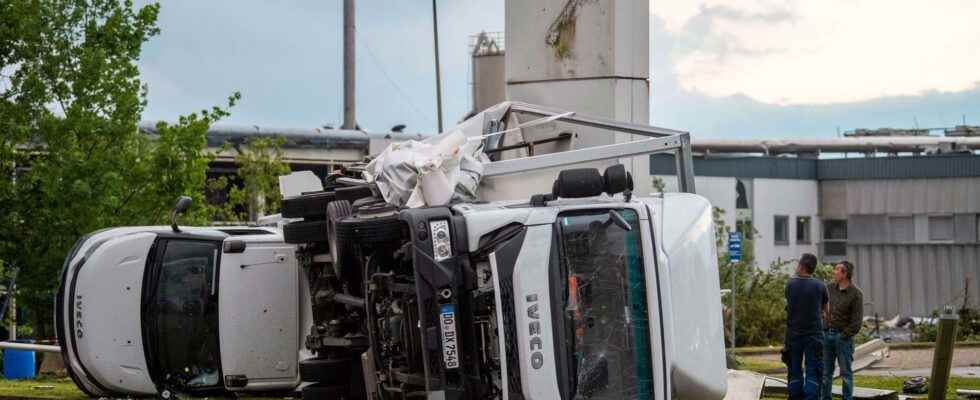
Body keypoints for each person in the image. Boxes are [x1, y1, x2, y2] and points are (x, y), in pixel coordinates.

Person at [784, 253, 828, 400]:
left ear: (801, 266)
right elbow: (825, 311)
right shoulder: (820, 286)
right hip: (814, 335)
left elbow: (789, 306)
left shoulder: (790, 285)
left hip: (793, 336)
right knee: (813, 370)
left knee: (794, 370)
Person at [822, 261, 863, 400]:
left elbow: (856, 322)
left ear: (845, 274)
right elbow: (822, 308)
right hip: (827, 336)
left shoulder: (856, 294)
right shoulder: (828, 289)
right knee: (826, 373)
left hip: (843, 339)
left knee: (846, 373)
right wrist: (824, 328)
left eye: (837, 270)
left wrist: (843, 336)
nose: (834, 272)